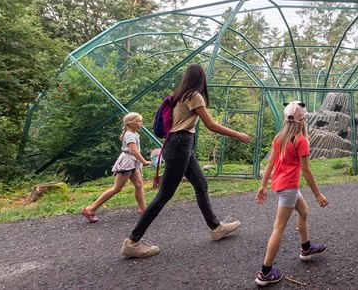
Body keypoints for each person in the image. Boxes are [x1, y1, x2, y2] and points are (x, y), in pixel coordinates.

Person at [121, 64, 251, 258]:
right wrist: (237, 134)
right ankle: (133, 241)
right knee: (164, 194)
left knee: (201, 185)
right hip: (180, 145)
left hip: (180, 144)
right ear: (201, 78)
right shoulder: (194, 96)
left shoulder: (179, 95)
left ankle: (216, 228)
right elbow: (211, 125)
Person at [254, 101, 329, 287]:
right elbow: (306, 171)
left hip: (282, 185)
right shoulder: (301, 140)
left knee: (303, 212)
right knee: (278, 227)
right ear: (302, 120)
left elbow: (270, 164)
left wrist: (263, 186)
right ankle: (265, 273)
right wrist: (318, 194)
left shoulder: (280, 138)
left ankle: (306, 248)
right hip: (288, 188)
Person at [81, 112, 151, 223]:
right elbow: (133, 150)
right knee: (117, 188)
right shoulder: (130, 135)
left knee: (139, 184)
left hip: (133, 162)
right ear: (130, 123)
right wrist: (144, 161)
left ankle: (143, 208)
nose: (141, 123)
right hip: (128, 162)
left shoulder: (133, 134)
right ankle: (90, 209)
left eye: (141, 121)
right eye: (138, 121)